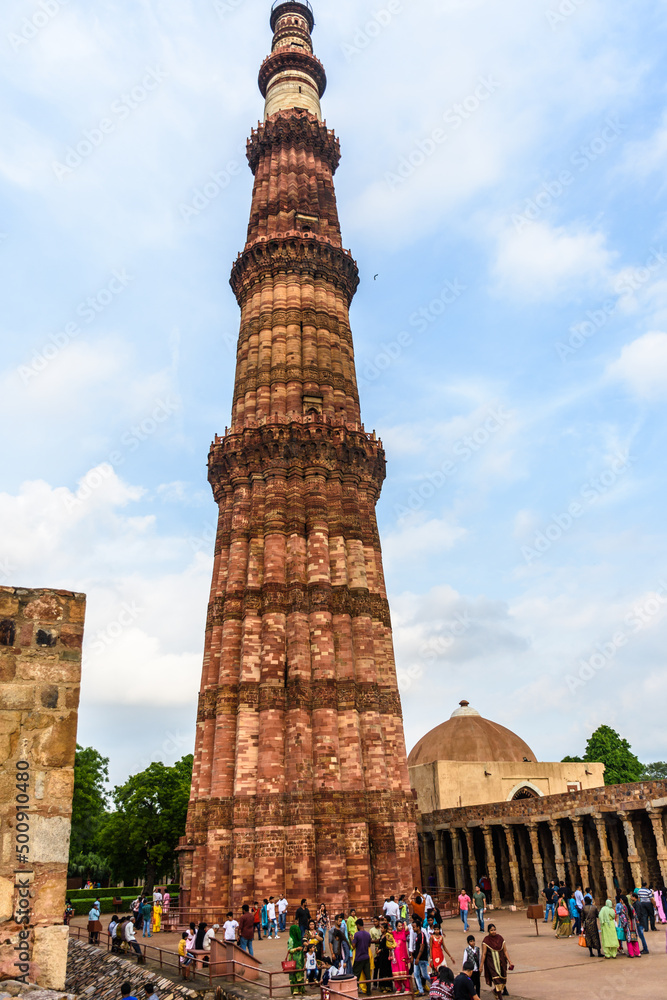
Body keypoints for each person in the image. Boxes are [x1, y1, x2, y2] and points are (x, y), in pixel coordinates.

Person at [481, 924, 511, 999]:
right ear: (488, 931)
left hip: (501, 963)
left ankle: (495, 991)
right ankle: (500, 998)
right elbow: (484, 954)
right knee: (497, 981)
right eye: (491, 930)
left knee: (503, 980)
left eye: (494, 930)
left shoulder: (500, 938)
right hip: (492, 964)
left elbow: (505, 951)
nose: (493, 931)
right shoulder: (486, 940)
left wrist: (510, 961)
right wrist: (481, 966)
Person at [390, 917, 410, 993]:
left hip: (402, 956)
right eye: (399, 926)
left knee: (404, 971)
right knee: (396, 972)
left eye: (401, 926)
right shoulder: (393, 933)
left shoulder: (404, 932)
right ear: (396, 926)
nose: (400, 927)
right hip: (395, 957)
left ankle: (407, 988)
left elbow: (407, 929)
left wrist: (405, 924)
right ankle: (398, 988)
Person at [352, 918, 372, 995]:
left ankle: (355, 990)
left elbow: (353, 946)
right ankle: (368, 991)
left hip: (359, 957)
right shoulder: (368, 934)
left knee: (356, 975)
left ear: (358, 925)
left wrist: (351, 939)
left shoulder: (357, 934)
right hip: (366, 957)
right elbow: (369, 945)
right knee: (367, 975)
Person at [411, 916, 430, 996]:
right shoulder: (418, 935)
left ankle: (435, 984)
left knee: (424, 975)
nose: (413, 929)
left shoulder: (422, 935)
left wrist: (417, 958)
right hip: (417, 958)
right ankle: (421, 990)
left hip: (421, 959)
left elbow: (422, 947)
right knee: (416, 975)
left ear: (418, 927)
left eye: (414, 927)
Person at [375, 919, 394, 994]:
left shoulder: (387, 936)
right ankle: (382, 986)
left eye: (382, 928)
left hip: (386, 955)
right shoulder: (381, 936)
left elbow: (388, 946)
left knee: (386, 970)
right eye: (381, 928)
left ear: (385, 929)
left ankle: (387, 986)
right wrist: (377, 949)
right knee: (382, 970)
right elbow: (380, 945)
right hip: (381, 956)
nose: (381, 929)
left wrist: (381, 950)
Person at [287, 924, 305, 996]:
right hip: (293, 959)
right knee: (294, 974)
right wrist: (296, 949)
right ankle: (295, 989)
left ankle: (301, 989)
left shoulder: (298, 939)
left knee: (300, 973)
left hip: (299, 959)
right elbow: (289, 950)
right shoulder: (291, 939)